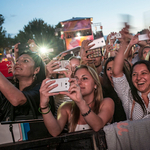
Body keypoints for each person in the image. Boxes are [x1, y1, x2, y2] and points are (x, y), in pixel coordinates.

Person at [39, 65, 114, 136]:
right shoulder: (66, 107)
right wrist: (44, 106)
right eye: (76, 79)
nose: (79, 82)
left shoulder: (106, 102)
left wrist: (80, 102)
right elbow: (55, 132)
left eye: (84, 78)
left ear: (95, 84)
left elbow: (97, 126)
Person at [113, 40, 150, 120]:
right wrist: (124, 42)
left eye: (143, 73)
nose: (138, 78)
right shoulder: (129, 96)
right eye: (134, 74)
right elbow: (116, 73)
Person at [102, 57, 127, 122]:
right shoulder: (103, 92)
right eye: (108, 69)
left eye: (115, 67)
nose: (112, 71)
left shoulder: (131, 88)